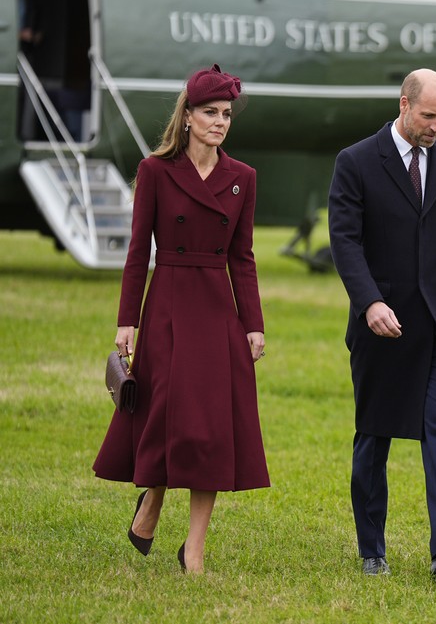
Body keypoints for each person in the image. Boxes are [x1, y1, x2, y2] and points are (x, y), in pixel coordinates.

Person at [92, 64, 268, 575]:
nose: (220, 123)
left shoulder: (243, 179)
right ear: (187, 117)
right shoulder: (155, 172)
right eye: (210, 113)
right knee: (168, 414)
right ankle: (152, 498)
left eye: (227, 115)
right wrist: (128, 319)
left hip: (218, 308)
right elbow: (136, 250)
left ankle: (194, 548)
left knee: (210, 426)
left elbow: (243, 257)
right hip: (167, 299)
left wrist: (253, 324)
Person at [328, 68, 436, 579]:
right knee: (374, 435)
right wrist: (369, 302)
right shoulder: (356, 161)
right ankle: (371, 548)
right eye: (428, 115)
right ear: (404, 105)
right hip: (384, 323)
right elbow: (345, 242)